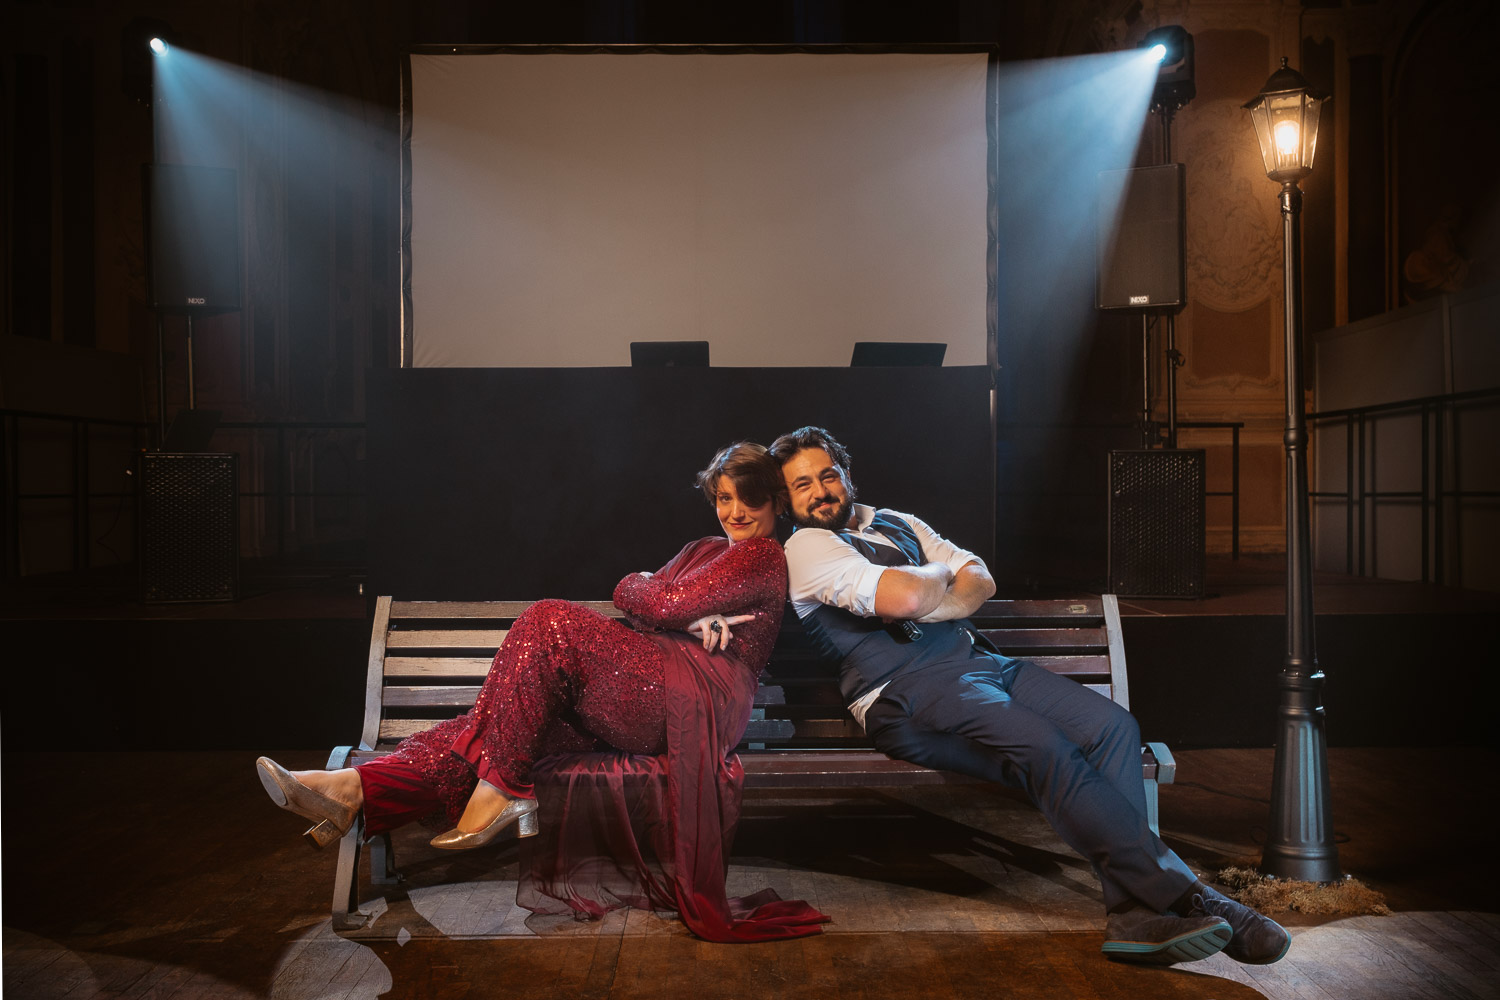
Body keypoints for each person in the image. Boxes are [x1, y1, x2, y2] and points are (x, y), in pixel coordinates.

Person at [256, 442, 827, 942]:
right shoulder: (705, 550)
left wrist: (674, 612)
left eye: (748, 499)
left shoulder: (763, 555)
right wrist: (680, 616)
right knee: (495, 731)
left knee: (549, 621)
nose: (734, 512)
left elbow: (660, 601)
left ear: (776, 502)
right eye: (723, 498)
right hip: (652, 686)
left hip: (690, 701)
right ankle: (355, 788)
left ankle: (499, 788)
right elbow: (632, 589)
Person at [768, 426, 1291, 966]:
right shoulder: (806, 547)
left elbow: (981, 580)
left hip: (978, 663)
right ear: (787, 500)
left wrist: (941, 598)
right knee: (1044, 750)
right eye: (801, 484)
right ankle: (1199, 899)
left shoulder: (897, 520)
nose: (820, 491)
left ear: (847, 473)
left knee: (1113, 728)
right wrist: (940, 572)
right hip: (902, 691)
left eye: (828, 475)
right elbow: (904, 597)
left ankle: (1133, 916)